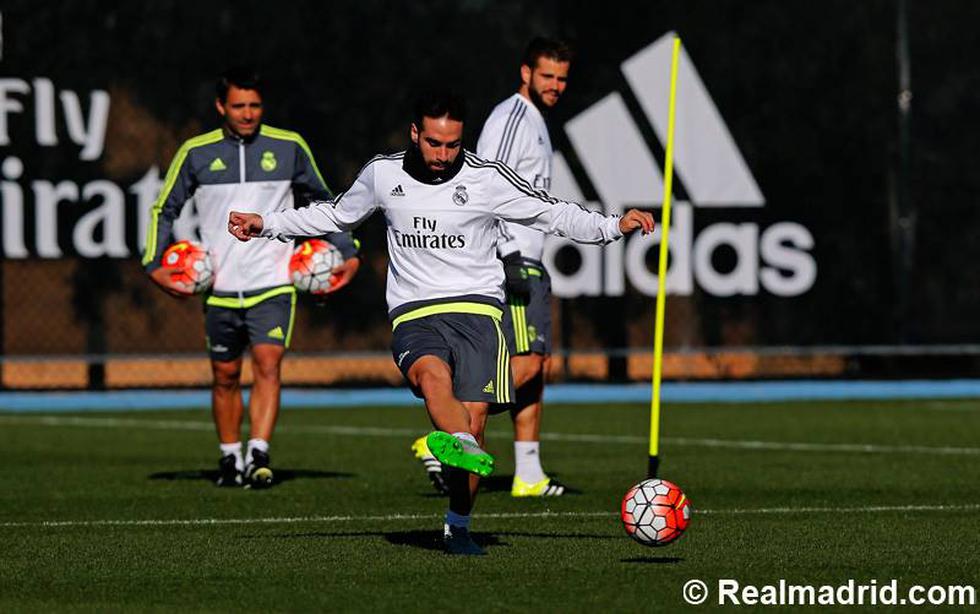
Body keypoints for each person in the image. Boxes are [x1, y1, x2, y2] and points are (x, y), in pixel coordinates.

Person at [227, 89, 654, 554]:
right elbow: (335, 215)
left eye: (452, 145)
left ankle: (458, 523)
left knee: (475, 426)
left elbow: (551, 213)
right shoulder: (382, 174)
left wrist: (613, 226)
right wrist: (265, 224)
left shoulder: (488, 179)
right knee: (433, 378)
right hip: (416, 311)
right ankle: (456, 442)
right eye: (433, 143)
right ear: (415, 133)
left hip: (478, 312)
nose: (443, 154)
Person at [142, 67, 360, 489]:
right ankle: (229, 456)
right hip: (219, 284)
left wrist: (347, 252)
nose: (247, 113)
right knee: (224, 375)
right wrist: (155, 265)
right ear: (221, 106)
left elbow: (326, 203)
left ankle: (259, 452)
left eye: (255, 105)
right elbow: (163, 209)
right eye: (238, 105)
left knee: (267, 364)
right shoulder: (196, 152)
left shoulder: (289, 147)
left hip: (274, 279)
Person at [411, 37, 573, 497]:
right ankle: (443, 435)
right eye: (547, 76)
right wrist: (502, 252)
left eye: (562, 77)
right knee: (525, 364)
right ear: (526, 73)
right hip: (513, 257)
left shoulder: (536, 121)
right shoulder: (513, 117)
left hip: (530, 255)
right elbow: (483, 179)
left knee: (535, 368)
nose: (555, 85)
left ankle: (528, 473)